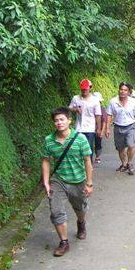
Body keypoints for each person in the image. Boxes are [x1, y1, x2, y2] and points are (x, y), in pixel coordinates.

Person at [41, 107, 93, 257]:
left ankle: (81, 223)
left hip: (78, 181)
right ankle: (64, 242)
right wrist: (46, 182)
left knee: (80, 208)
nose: (59, 122)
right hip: (59, 180)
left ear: (69, 120)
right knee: (56, 211)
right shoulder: (49, 141)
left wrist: (89, 183)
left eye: (62, 119)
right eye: (56, 120)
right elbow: (45, 160)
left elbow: (87, 161)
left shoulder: (80, 139)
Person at [105, 81, 135, 175]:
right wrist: (107, 128)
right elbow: (109, 115)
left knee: (131, 145)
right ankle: (124, 164)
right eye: (121, 89)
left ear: (129, 92)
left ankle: (129, 163)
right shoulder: (113, 101)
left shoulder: (133, 102)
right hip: (118, 126)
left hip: (130, 126)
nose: (122, 91)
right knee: (120, 148)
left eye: (125, 90)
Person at [69, 78, 102, 157]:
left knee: (88, 148)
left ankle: (89, 166)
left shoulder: (95, 100)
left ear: (90, 88)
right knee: (78, 148)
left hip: (90, 128)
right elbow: (70, 108)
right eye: (82, 89)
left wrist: (98, 128)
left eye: (86, 89)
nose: (84, 91)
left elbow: (98, 115)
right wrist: (76, 109)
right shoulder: (76, 98)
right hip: (78, 127)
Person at [93, 91, 106, 164]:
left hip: (98, 128)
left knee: (98, 143)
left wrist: (102, 131)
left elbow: (104, 120)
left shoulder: (102, 109)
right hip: (90, 128)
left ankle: (97, 156)